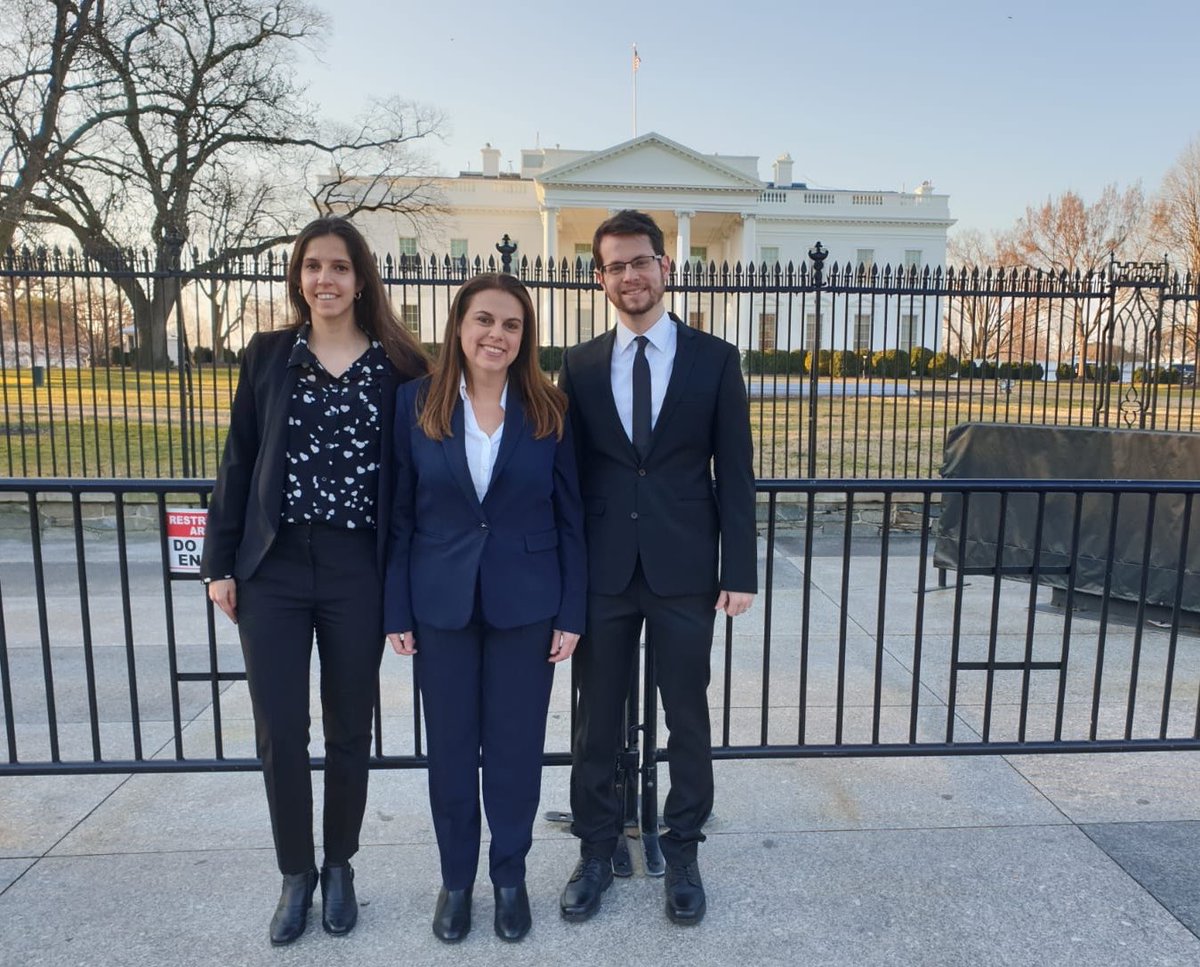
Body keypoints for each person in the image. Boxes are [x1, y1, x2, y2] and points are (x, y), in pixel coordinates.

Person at [200, 216, 429, 946]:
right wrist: (219, 561)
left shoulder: (401, 366)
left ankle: (340, 864)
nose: (324, 279)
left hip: (356, 567)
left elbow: (419, 481)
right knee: (279, 730)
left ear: (362, 278)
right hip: (273, 567)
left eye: (338, 266)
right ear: (299, 279)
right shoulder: (269, 355)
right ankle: (295, 871)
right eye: (311, 267)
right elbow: (238, 461)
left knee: (347, 728)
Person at [557, 210, 757, 926]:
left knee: (689, 718)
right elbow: (568, 480)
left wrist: (740, 567)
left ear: (665, 267)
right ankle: (595, 847)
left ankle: (684, 847)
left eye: (640, 262)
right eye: (614, 266)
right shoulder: (578, 365)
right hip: (603, 574)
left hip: (685, 569)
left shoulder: (714, 358)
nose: (629, 276)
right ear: (600, 276)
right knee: (594, 722)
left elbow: (734, 472)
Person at [384, 273, 586, 943]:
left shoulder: (550, 407)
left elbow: (570, 519)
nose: (497, 334)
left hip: (526, 606)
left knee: (514, 752)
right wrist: (396, 609)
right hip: (440, 604)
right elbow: (401, 516)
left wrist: (572, 612)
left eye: (512, 324)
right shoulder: (415, 403)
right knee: (448, 754)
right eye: (485, 320)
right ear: (460, 326)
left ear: (524, 337)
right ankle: (455, 882)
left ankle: (508, 877)